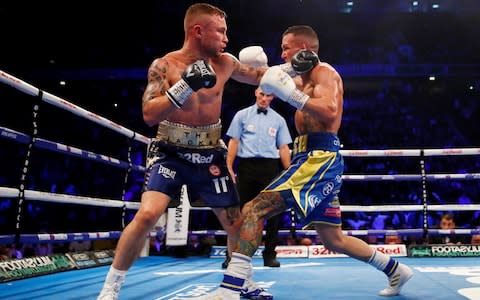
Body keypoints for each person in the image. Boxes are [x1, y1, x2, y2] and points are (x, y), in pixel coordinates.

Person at [196, 25, 413, 299]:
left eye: (286, 47)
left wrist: (290, 95)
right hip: (308, 158)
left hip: (319, 159)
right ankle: (396, 270)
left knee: (253, 209)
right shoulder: (295, 76)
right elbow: (255, 76)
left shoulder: (325, 73)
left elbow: (330, 110)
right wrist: (225, 60)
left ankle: (231, 289)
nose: (282, 53)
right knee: (333, 240)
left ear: (304, 49)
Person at [97, 3, 275, 300]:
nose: (226, 39)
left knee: (236, 222)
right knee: (148, 214)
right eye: (220, 32)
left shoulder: (226, 62)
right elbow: (149, 114)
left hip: (210, 154)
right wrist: (185, 85)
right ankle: (110, 288)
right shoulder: (164, 66)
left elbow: (261, 77)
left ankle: (244, 280)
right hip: (170, 152)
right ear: (198, 31)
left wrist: (296, 68)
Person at [225, 87, 292, 268]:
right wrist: (229, 166)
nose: (264, 98)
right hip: (246, 167)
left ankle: (269, 254)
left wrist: (289, 172)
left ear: (273, 97)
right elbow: (234, 142)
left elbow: (283, 148)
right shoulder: (242, 115)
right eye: (261, 94)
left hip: (270, 168)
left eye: (268, 95)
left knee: (273, 213)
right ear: (256, 93)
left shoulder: (279, 120)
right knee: (238, 211)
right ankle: (232, 255)